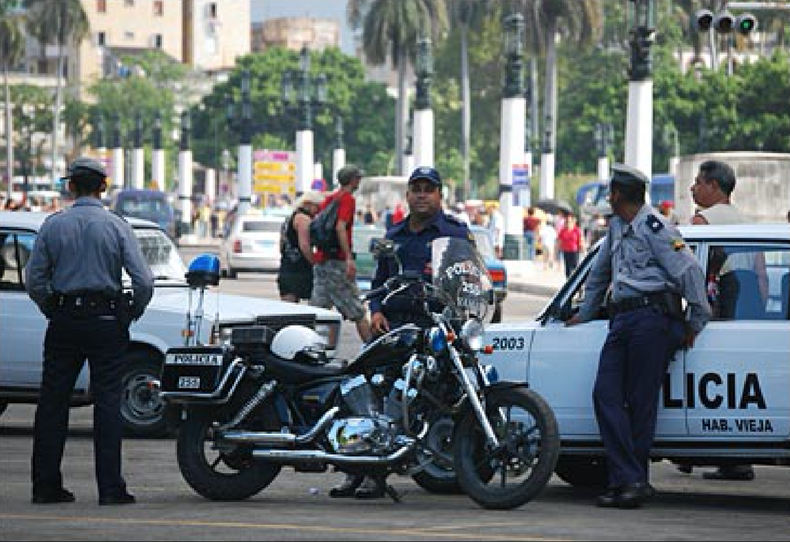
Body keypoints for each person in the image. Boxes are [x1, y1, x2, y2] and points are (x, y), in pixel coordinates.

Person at [566, 163, 711, 509]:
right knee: (606, 395)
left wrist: (695, 321)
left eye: (610, 192)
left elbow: (689, 269)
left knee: (640, 403)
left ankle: (631, 481)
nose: (608, 198)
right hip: (622, 320)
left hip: (651, 319)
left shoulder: (654, 226)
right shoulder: (617, 227)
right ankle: (628, 478)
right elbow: (600, 275)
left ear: (618, 195)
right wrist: (585, 313)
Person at [329, 165, 474, 501]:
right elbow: (378, 284)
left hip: (436, 328)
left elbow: (470, 278)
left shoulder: (455, 232)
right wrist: (376, 311)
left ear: (440, 195)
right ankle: (360, 471)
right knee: (366, 389)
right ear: (408, 195)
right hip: (396, 329)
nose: (422, 194)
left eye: (428, 189)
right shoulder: (392, 236)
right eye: (416, 189)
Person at [25, 157, 154, 506]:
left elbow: (34, 279)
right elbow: (143, 281)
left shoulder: (53, 226)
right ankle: (110, 489)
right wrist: (129, 313)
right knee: (108, 404)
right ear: (103, 187)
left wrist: (52, 306)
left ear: (71, 186)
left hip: (65, 321)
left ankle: (45, 486)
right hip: (106, 322)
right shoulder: (117, 226)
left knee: (52, 404)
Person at [675, 159, 762, 482]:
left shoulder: (702, 222)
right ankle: (736, 460)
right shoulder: (747, 223)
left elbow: (689, 272)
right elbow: (761, 276)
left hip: (716, 308)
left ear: (713, 186)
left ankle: (691, 450)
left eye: (697, 182)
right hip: (746, 311)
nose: (692, 188)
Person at [309, 164, 372, 344]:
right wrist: (349, 258)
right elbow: (340, 227)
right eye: (358, 178)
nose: (359, 181)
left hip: (322, 260)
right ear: (352, 180)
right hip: (337, 261)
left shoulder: (329, 199)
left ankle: (313, 346)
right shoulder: (347, 200)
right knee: (357, 310)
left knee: (319, 310)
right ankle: (372, 349)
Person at [277, 191, 323, 303]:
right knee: (314, 305)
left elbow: (281, 244)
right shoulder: (304, 219)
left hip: (286, 267)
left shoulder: (289, 218)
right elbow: (304, 245)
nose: (318, 211)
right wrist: (314, 262)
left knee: (289, 310)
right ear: (308, 204)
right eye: (317, 207)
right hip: (300, 269)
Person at [557, 213, 584, 278]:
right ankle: (568, 280)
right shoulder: (563, 230)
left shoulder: (576, 230)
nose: (568, 223)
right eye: (567, 221)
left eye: (569, 221)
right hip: (566, 251)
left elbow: (581, 240)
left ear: (573, 222)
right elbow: (559, 240)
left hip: (574, 251)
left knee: (575, 266)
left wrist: (582, 248)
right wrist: (557, 250)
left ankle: (575, 280)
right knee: (567, 267)